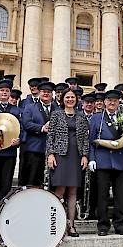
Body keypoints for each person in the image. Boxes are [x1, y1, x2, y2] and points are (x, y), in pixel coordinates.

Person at [88, 89, 123, 236]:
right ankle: (103, 225)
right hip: (103, 160)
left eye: (115, 100)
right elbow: (91, 141)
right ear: (104, 102)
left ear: (118, 102)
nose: (112, 102)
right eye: (109, 100)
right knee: (103, 195)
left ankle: (120, 225)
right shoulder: (96, 118)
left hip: (120, 160)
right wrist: (92, 158)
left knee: (121, 195)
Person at [47, 88, 89, 236]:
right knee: (59, 190)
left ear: (76, 100)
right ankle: (56, 224)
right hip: (60, 156)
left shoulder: (81, 116)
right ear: (62, 99)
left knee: (73, 191)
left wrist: (85, 155)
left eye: (72, 97)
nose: (70, 99)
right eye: (67, 97)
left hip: (76, 156)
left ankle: (71, 225)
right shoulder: (56, 114)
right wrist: (50, 154)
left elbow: (84, 138)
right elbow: (50, 136)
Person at [20, 81, 57, 186]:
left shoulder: (58, 109)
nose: (46, 94)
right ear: (39, 93)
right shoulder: (30, 107)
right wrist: (42, 128)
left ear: (52, 94)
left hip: (52, 150)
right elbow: (26, 124)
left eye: (49, 92)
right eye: (43, 91)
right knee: (31, 180)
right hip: (34, 149)